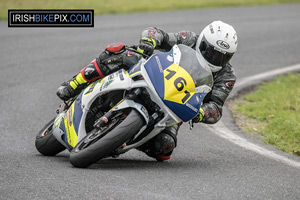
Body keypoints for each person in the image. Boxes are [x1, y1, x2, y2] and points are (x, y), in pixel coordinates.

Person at [56, 20, 238, 161]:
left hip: (174, 108)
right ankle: (74, 84)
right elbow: (156, 32)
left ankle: (120, 138)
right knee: (120, 52)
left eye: (223, 56)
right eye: (212, 52)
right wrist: (149, 42)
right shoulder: (190, 39)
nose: (216, 58)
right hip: (154, 75)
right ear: (203, 42)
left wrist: (201, 113)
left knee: (164, 149)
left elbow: (216, 108)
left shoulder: (227, 76)